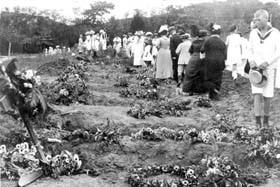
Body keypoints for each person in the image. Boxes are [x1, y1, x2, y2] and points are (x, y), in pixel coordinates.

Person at [248, 9, 280, 128]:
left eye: (259, 20)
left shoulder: (275, 33)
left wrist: (267, 62)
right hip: (255, 69)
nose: (256, 22)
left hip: (269, 68)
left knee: (267, 95)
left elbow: (278, 51)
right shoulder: (253, 33)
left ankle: (266, 120)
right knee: (256, 93)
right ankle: (257, 121)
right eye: (255, 20)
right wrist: (251, 60)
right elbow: (249, 49)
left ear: (266, 19)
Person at [201, 23, 227, 100]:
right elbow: (225, 55)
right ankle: (215, 93)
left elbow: (202, 50)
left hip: (209, 62)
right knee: (218, 77)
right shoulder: (222, 42)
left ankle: (212, 91)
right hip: (220, 62)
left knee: (209, 78)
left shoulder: (207, 41)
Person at [182, 30, 208, 94]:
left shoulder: (194, 42)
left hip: (193, 58)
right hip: (201, 58)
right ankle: (199, 90)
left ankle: (187, 89)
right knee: (201, 74)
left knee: (190, 73)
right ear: (204, 36)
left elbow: (190, 51)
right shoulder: (205, 42)